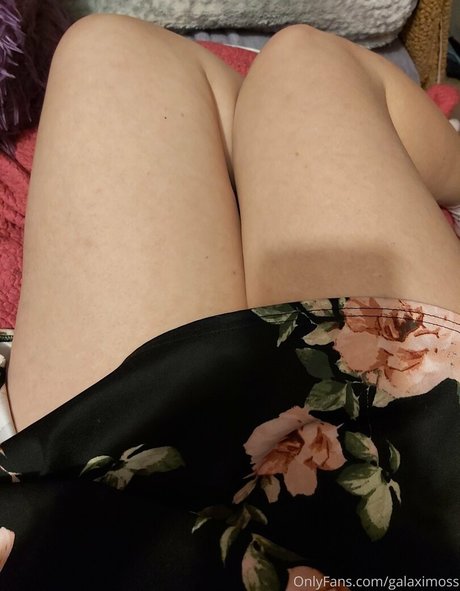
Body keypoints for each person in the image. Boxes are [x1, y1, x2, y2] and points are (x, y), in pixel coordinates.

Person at [0, 15, 459, 589]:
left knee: (111, 50)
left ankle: (259, 154)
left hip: (80, 501)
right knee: (308, 63)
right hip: (409, 520)